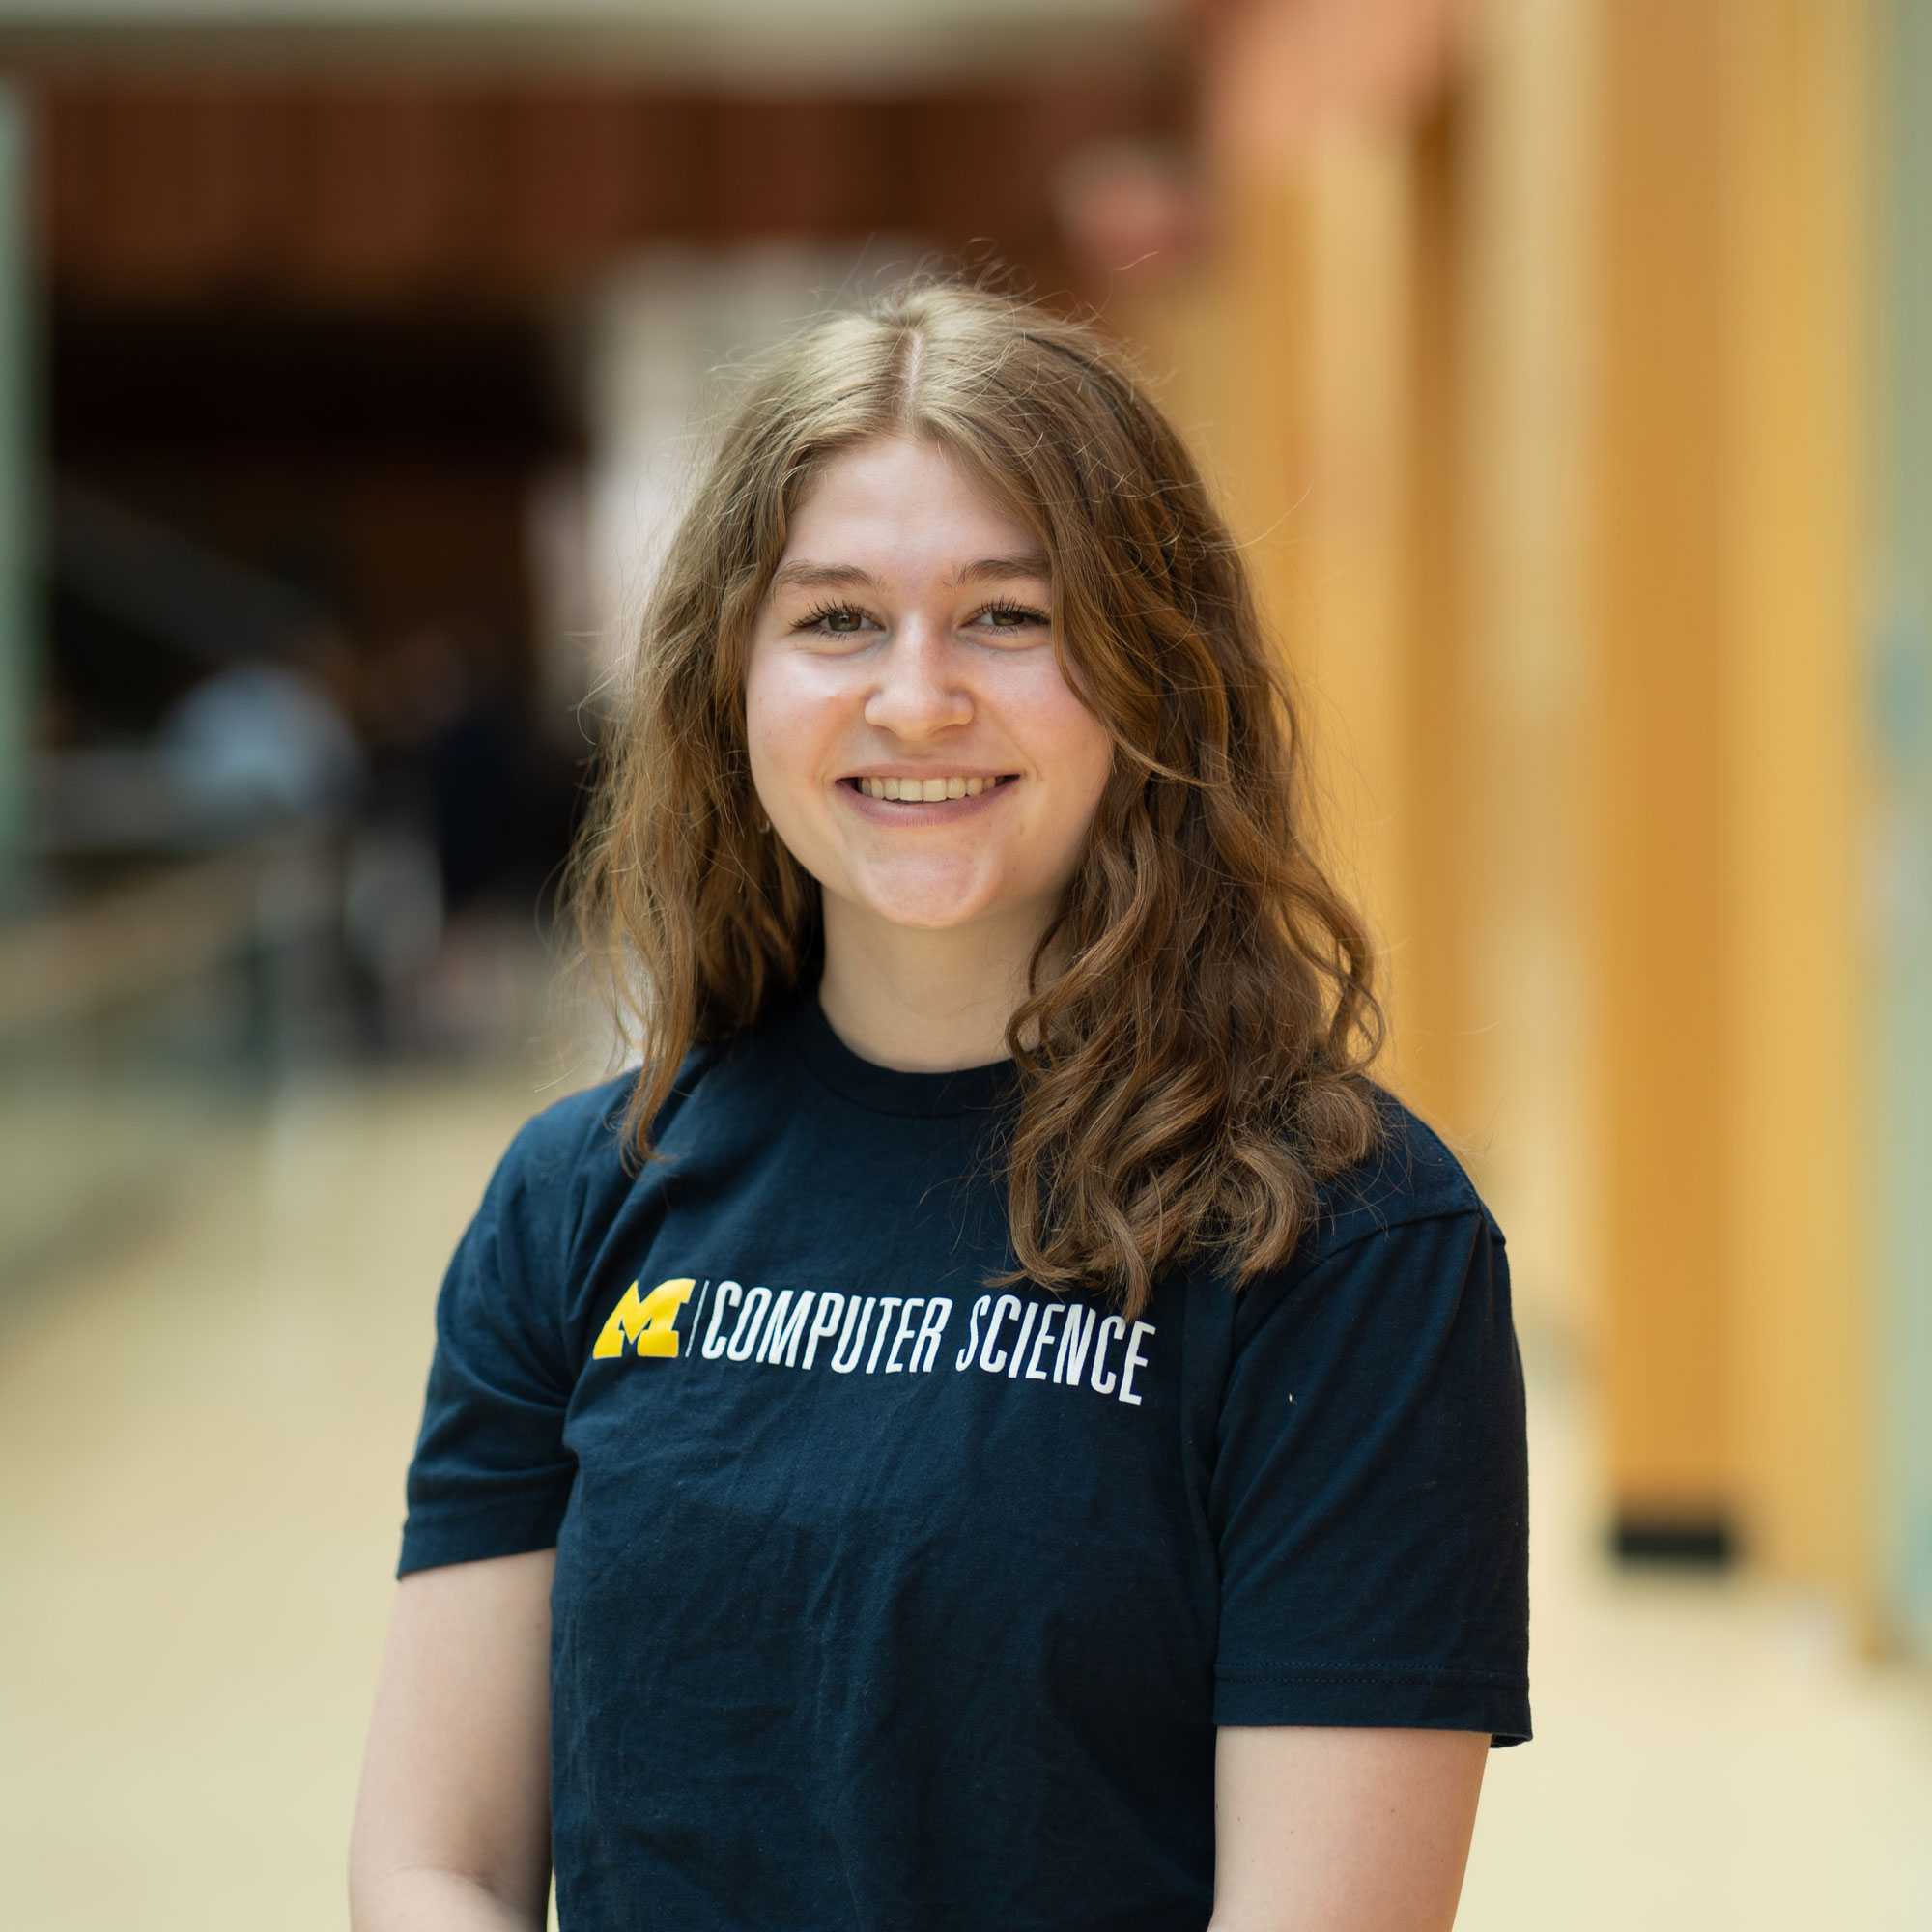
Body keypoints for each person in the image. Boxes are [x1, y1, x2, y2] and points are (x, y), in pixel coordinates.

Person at [349, 281, 1530, 1932]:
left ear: (1149, 672)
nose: (915, 697)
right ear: (729, 684)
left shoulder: (1340, 1239)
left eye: (1009, 616)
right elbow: (435, 1864)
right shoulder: (576, 1199)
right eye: (836, 619)